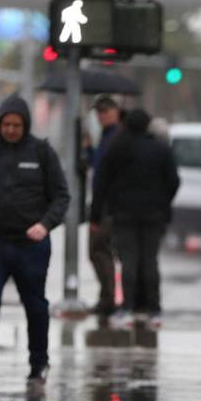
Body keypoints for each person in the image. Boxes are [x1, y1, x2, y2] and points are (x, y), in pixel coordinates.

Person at [0, 93, 70, 393]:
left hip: (31, 246)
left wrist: (45, 225)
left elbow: (61, 197)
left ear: (26, 124)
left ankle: (38, 366)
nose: (11, 130)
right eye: (6, 124)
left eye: (17, 124)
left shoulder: (41, 152)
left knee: (35, 307)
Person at [90, 108, 180, 330]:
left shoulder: (117, 148)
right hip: (154, 215)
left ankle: (127, 309)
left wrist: (96, 214)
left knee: (128, 261)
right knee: (150, 261)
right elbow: (174, 181)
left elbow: (101, 183)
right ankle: (154, 310)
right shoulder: (161, 149)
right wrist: (162, 202)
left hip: (124, 214)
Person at [87, 95, 121, 317]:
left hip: (109, 207)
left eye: (106, 111)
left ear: (116, 111)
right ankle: (107, 298)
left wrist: (95, 216)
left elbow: (102, 178)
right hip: (111, 206)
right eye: (99, 112)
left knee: (98, 250)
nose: (102, 116)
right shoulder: (108, 137)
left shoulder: (114, 138)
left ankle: (108, 299)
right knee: (102, 252)